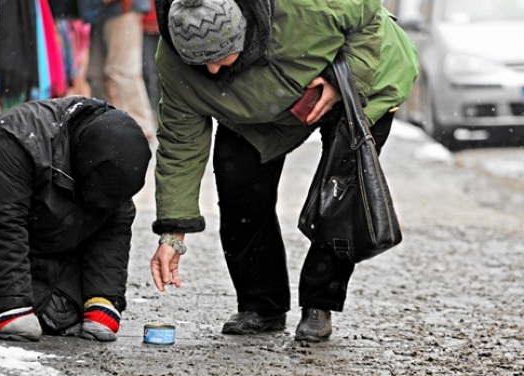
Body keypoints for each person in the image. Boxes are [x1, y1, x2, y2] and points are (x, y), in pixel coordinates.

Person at [149, 0, 419, 342]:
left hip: (360, 76)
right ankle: (262, 305)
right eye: (200, 62)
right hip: (260, 99)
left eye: (218, 57)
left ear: (246, 34)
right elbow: (180, 144)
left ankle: (319, 303)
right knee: (237, 179)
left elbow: (368, 14)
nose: (212, 71)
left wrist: (346, 74)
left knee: (341, 188)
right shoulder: (176, 62)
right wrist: (173, 232)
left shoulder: (307, 6)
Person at [0, 96, 152, 342]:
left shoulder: (109, 155)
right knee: (29, 314)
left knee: (65, 313)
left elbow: (113, 230)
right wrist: (13, 307)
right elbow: (4, 225)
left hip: (48, 248)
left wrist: (103, 304)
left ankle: (44, 305)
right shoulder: (15, 139)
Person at [79, 0, 156, 140]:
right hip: (96, 12)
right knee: (96, 74)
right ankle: (106, 126)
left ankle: (139, 127)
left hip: (121, 8)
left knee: (123, 71)